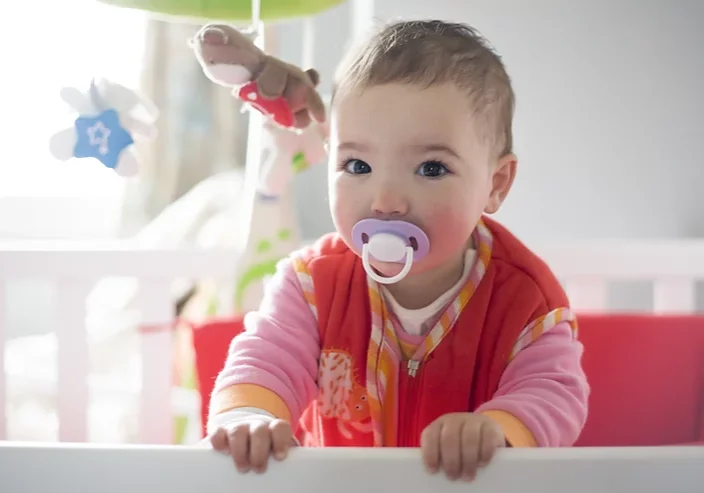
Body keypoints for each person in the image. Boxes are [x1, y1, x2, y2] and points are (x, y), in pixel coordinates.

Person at [206, 19, 589, 482]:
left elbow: (553, 390)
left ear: (495, 184)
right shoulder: (311, 284)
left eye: (431, 168)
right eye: (358, 165)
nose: (385, 200)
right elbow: (266, 358)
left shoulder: (526, 299)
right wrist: (248, 414)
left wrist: (498, 429)